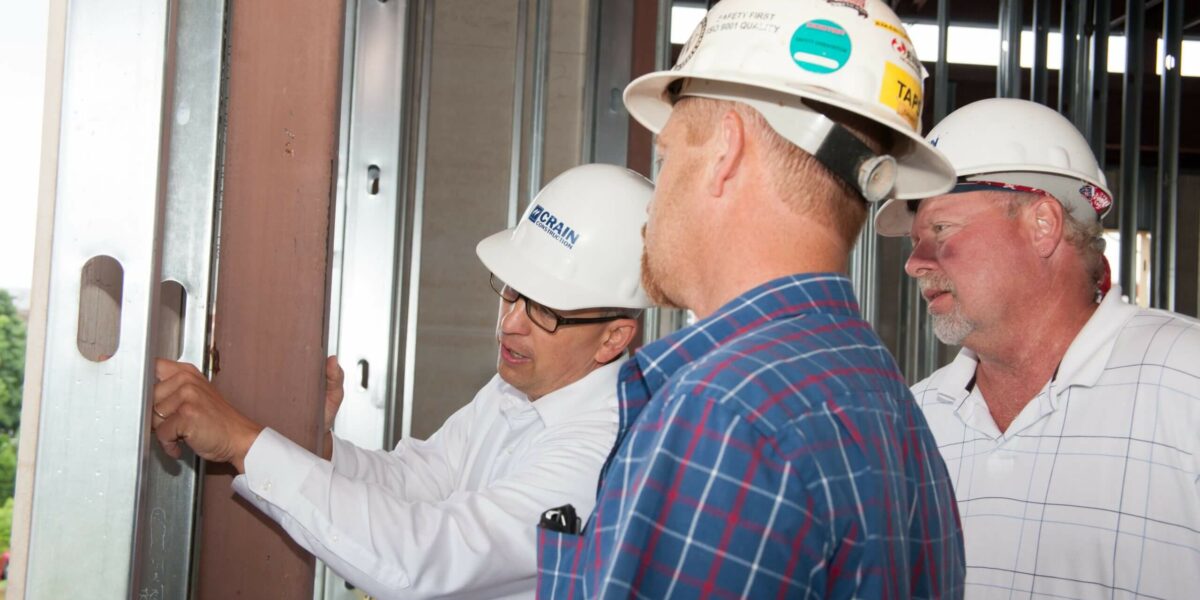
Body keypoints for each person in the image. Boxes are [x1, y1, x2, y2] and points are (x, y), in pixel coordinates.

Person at [535, 0, 965, 597]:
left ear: (724, 151)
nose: (652, 205)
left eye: (666, 157)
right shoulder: (888, 403)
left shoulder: (724, 413)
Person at [151, 163, 655, 599]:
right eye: (512, 293)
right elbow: (418, 482)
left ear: (613, 338)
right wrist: (318, 445)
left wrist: (242, 442)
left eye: (544, 309)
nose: (511, 323)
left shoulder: (603, 452)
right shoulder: (519, 386)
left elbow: (429, 557)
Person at [874, 97, 1200, 598]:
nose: (915, 264)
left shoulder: (1186, 380)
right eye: (915, 241)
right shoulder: (915, 419)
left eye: (940, 229)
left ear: (1042, 224)